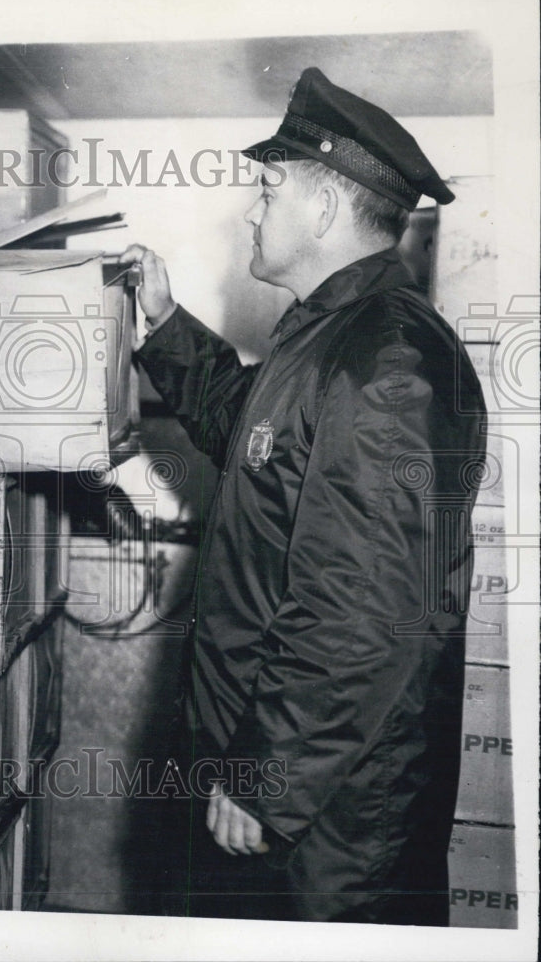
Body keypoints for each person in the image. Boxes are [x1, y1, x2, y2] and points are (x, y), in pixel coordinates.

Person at [121, 67, 487, 925]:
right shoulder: (331, 336)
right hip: (287, 782)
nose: (253, 208)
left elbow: (360, 610)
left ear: (323, 208)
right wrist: (164, 323)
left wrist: (264, 777)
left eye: (269, 186)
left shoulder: (388, 365)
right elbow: (250, 435)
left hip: (328, 825)